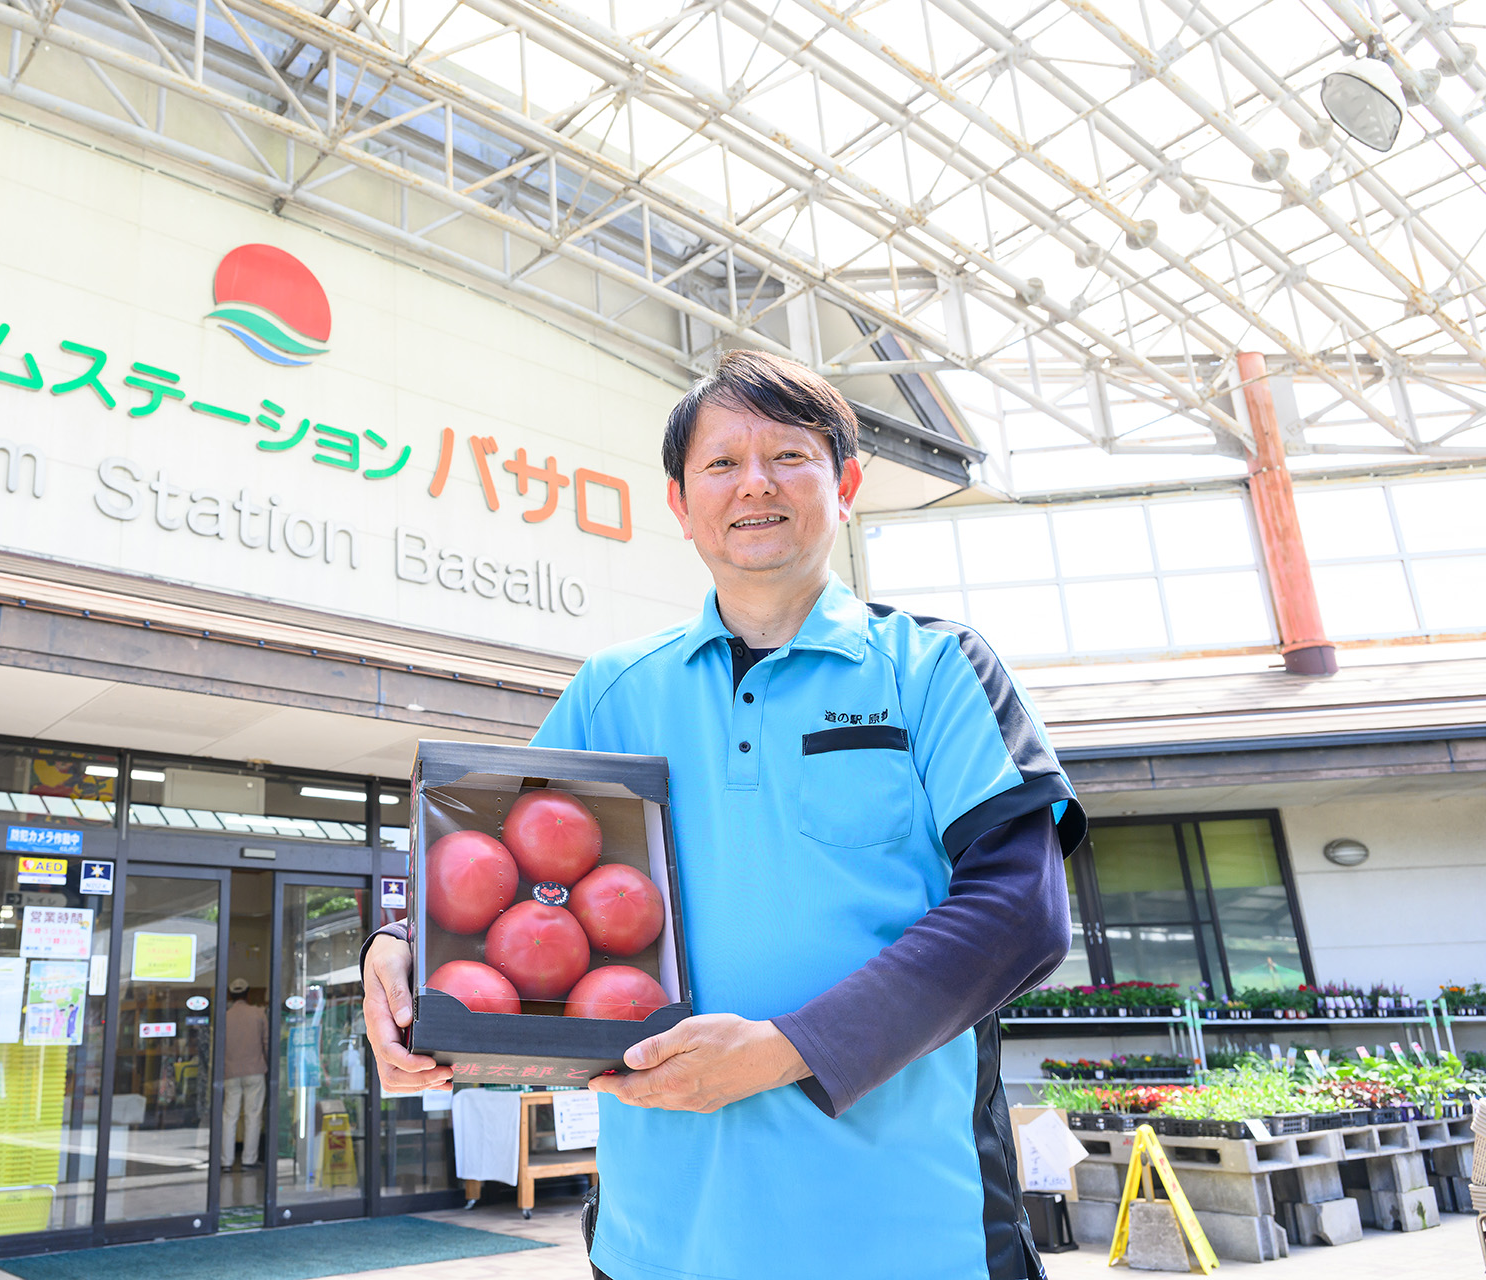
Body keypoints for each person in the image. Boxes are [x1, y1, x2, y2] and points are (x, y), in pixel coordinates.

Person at [361, 351, 1085, 1280]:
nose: (756, 484)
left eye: (790, 456)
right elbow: (494, 872)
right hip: (660, 1243)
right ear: (680, 502)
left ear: (846, 484)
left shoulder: (934, 668)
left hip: (912, 1235)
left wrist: (785, 1051)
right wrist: (400, 945)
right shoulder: (612, 690)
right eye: (721, 464)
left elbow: (1020, 915)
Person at [221, 979, 269, 1170]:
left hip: (230, 1072)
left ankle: (226, 1161)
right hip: (255, 1071)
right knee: (253, 1116)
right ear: (248, 994)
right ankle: (249, 1160)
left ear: (230, 995)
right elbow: (266, 1042)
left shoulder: (224, 1017)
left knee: (229, 1117)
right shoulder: (258, 1014)